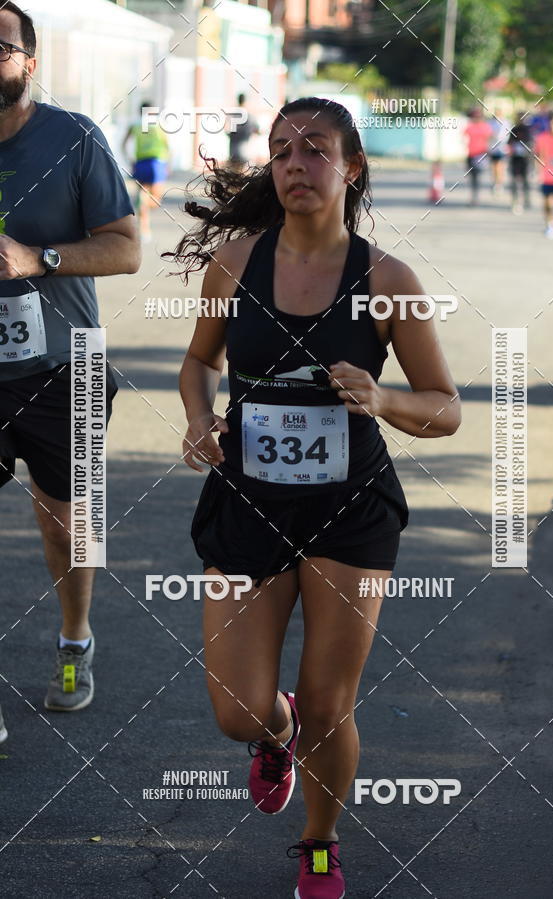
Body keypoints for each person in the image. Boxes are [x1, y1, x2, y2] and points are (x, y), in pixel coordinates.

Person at [165, 96, 461, 898]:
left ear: (350, 166)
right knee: (237, 709)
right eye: (283, 149)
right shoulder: (234, 262)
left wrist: (384, 398)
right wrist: (198, 419)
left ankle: (320, 841)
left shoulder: (387, 280)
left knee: (334, 704)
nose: (298, 163)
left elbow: (445, 405)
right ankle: (276, 732)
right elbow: (198, 364)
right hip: (247, 502)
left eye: (318, 149)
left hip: (351, 510)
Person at [0, 2, 141, 742]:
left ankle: (74, 641)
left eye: (0, 46)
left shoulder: (74, 139)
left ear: (29, 60)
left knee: (67, 523)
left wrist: (38, 258)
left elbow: (125, 248)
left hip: (70, 364)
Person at [122, 101, 170, 243]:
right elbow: (167, 145)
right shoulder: (159, 124)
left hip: (140, 163)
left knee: (143, 195)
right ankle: (144, 224)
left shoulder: (135, 125)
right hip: (156, 162)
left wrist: (129, 159)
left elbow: (123, 144)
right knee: (156, 199)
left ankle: (144, 228)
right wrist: (168, 163)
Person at [463, 107, 493, 205]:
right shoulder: (470, 126)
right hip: (471, 154)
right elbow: (464, 137)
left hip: (480, 154)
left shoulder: (485, 126)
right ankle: (474, 196)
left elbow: (490, 138)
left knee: (476, 176)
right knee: (472, 176)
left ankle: (475, 197)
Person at [507, 112, 532, 214]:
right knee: (514, 181)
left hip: (525, 159)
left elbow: (531, 143)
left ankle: (526, 199)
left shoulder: (528, 130)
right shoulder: (514, 129)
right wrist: (512, 149)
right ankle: (515, 200)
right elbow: (509, 143)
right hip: (515, 159)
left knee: (525, 180)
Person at [227, 92, 259, 172]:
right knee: (244, 176)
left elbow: (227, 131)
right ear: (245, 101)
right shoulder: (250, 116)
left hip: (233, 150)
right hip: (245, 150)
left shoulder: (232, 115)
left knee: (234, 177)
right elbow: (257, 130)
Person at [489, 107, 511, 196]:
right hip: (493, 148)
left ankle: (499, 183)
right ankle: (495, 182)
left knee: (500, 166)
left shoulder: (506, 122)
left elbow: (507, 135)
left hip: (502, 148)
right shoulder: (491, 123)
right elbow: (489, 134)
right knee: (494, 167)